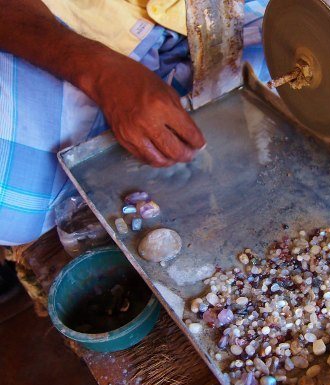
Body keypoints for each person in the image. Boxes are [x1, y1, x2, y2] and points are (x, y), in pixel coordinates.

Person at [0, 0, 269, 246]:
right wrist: (100, 73)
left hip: (227, 13)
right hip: (75, 27)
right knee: (9, 216)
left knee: (285, 90)